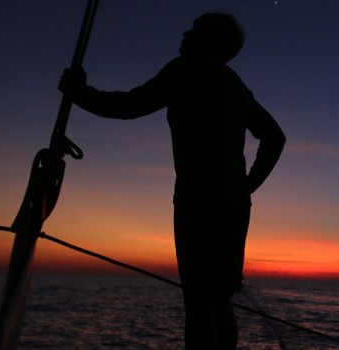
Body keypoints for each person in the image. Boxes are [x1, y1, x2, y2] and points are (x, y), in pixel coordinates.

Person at [58, 12, 285, 349]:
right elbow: (274, 137)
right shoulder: (236, 84)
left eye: (193, 30)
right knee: (219, 299)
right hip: (234, 203)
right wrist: (247, 184)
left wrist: (79, 92)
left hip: (198, 200)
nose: (183, 34)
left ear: (207, 40)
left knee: (196, 300)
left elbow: (130, 105)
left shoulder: (185, 70)